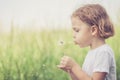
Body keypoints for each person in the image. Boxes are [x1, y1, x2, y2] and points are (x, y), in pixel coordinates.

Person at [57, 4, 116, 80]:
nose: (73, 35)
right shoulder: (92, 52)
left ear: (93, 30)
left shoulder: (104, 52)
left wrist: (74, 67)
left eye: (77, 30)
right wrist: (71, 70)